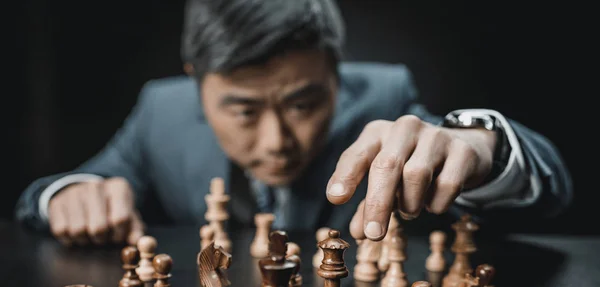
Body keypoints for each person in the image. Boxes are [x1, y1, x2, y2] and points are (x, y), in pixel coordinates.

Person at [15, 0, 572, 247]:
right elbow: (63, 190)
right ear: (195, 79)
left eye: (304, 104)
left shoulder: (386, 97)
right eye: (243, 110)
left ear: (337, 72)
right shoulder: (160, 110)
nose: (278, 143)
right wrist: (70, 195)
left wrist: (478, 146)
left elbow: (553, 191)